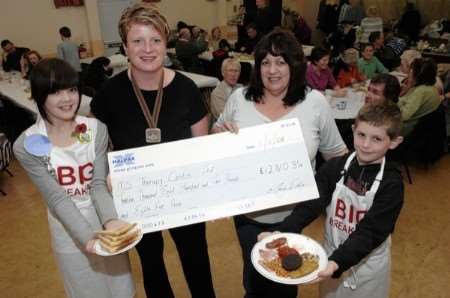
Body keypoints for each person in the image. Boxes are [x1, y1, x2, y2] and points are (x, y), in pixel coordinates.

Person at [90, 4, 215, 298]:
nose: (147, 49)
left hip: (185, 198)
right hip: (137, 200)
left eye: (155, 40)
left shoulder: (186, 89)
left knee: (197, 263)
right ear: (124, 46)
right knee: (152, 266)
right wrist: (108, 174)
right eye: (137, 41)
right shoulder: (109, 94)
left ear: (165, 43)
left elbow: (201, 150)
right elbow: (99, 150)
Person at [212, 29, 347, 298]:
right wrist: (221, 134)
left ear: (295, 65)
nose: (272, 70)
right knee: (254, 279)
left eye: (281, 61)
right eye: (265, 62)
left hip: (292, 217)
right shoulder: (240, 98)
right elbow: (216, 135)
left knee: (286, 277)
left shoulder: (315, 103)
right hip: (248, 216)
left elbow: (338, 156)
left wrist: (320, 192)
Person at [13, 58, 135, 298]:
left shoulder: (95, 129)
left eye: (71, 89)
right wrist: (88, 240)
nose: (67, 99)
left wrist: (111, 224)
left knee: (121, 291)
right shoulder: (26, 145)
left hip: (104, 223)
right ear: (39, 95)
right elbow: (57, 199)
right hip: (68, 233)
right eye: (56, 92)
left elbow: (98, 184)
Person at [263, 103, 404, 298]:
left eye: (377, 139)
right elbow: (311, 204)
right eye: (361, 135)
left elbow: (371, 231)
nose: (365, 144)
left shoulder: (391, 184)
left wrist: (337, 261)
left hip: (367, 265)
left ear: (394, 142)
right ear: (353, 130)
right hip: (330, 254)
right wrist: (283, 231)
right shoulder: (335, 167)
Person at [398, 58, 441, 136]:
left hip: (407, 128)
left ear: (419, 75)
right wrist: (408, 87)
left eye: (412, 70)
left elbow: (403, 115)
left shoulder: (421, 91)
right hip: (416, 125)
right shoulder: (430, 87)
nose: (409, 72)